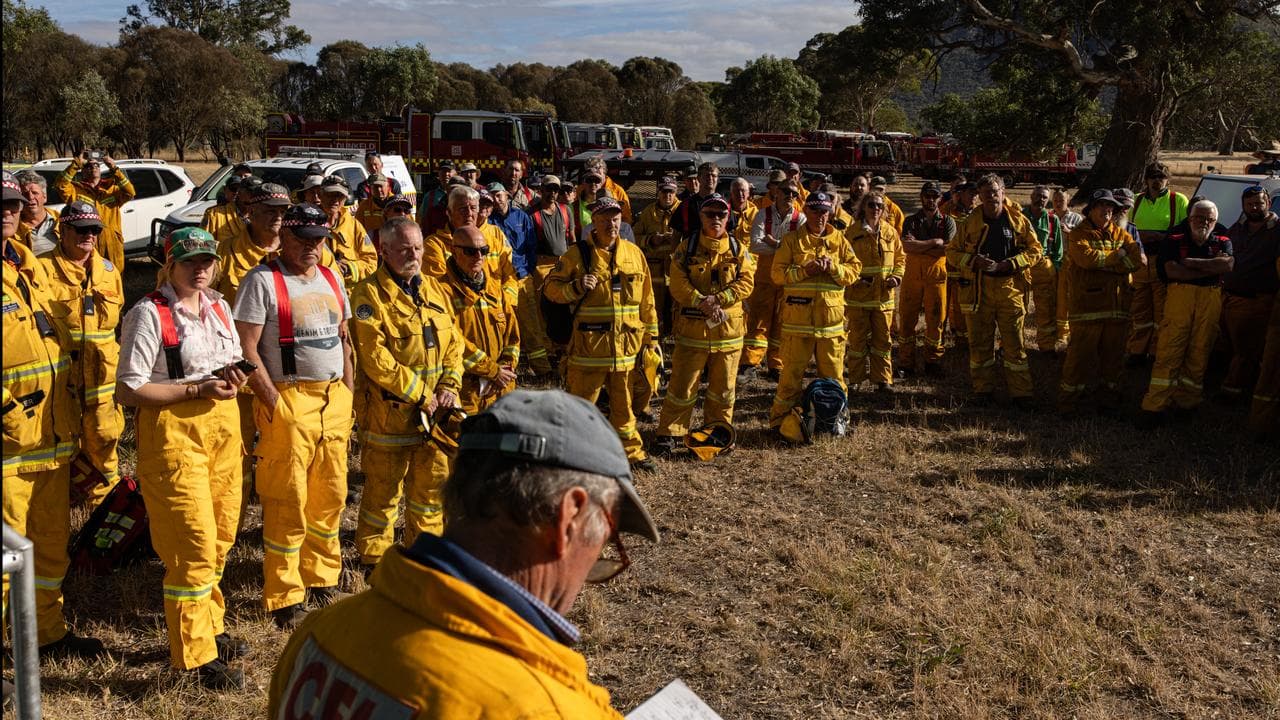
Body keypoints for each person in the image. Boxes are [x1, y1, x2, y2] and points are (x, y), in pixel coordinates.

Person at [268, 389, 660, 719]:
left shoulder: (321, 633)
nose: (595, 562)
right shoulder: (540, 708)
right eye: (606, 538)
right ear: (569, 518)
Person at [115, 227, 248, 689]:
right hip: (174, 437)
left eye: (207, 260)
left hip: (223, 433)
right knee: (191, 545)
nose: (201, 269)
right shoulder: (148, 314)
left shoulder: (220, 307)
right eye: (190, 261)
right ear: (169, 265)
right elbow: (129, 389)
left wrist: (235, 379)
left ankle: (211, 627)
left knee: (220, 538)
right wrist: (194, 388)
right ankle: (193, 658)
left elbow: (229, 357)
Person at [234, 203, 355, 629]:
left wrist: (348, 392)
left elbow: (344, 338)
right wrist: (272, 402)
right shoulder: (261, 281)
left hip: (332, 403)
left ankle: (322, 577)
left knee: (331, 494)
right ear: (283, 235)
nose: (311, 246)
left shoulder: (331, 275)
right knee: (287, 499)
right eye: (303, 238)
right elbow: (246, 349)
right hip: (288, 401)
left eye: (319, 239)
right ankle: (285, 594)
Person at [1, 171, 104, 660]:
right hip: (7, 447)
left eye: (14, 205)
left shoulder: (26, 263)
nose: (7, 212)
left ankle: (44, 633)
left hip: (51, 435)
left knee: (48, 547)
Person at [350, 217, 463, 572]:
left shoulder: (435, 290)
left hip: (434, 420)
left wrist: (449, 386)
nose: (412, 255)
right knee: (383, 492)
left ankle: (423, 558)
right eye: (403, 249)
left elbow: (454, 345)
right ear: (384, 251)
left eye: (417, 247)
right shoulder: (367, 295)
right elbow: (375, 358)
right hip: (390, 416)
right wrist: (420, 392)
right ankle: (374, 561)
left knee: (430, 494)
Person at [544, 197, 658, 472]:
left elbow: (647, 301)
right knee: (581, 408)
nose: (611, 223)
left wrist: (651, 340)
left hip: (625, 350)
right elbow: (550, 289)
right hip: (589, 351)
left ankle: (631, 453)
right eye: (605, 218)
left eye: (616, 218)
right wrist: (574, 287)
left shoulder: (634, 254)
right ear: (593, 221)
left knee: (625, 407)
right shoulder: (576, 255)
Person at [651, 194, 755, 456]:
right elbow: (677, 283)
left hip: (729, 335)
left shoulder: (737, 249)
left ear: (727, 217)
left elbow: (746, 282)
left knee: (723, 390)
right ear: (701, 217)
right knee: (682, 386)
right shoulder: (685, 249)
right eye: (710, 214)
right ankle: (671, 433)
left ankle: (719, 432)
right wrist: (701, 301)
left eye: (721, 214)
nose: (716, 219)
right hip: (692, 332)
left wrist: (720, 298)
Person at [39, 202, 125, 506]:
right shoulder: (41, 269)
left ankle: (107, 509)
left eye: (94, 230)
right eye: (81, 229)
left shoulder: (108, 271)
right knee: (63, 443)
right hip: (62, 381)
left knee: (105, 440)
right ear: (63, 230)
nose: (89, 236)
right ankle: (65, 504)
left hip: (102, 382)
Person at [947, 175, 1043, 405]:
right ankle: (983, 391)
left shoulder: (1018, 221)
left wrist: (1009, 264)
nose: (991, 196)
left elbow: (1036, 250)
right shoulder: (969, 223)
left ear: (1003, 192)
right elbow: (952, 253)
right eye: (986, 192)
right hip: (979, 290)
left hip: (1010, 289)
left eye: (995, 191)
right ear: (979, 196)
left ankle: (1022, 394)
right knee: (980, 344)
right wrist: (972, 261)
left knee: (1015, 345)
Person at [768, 192, 860, 431]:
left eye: (824, 211)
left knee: (835, 378)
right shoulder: (791, 240)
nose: (820, 216)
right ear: (806, 211)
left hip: (831, 326)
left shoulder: (839, 240)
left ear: (830, 213)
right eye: (815, 210)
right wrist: (804, 271)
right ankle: (780, 423)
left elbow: (854, 272)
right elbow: (777, 274)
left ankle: (838, 422)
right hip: (797, 325)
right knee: (790, 379)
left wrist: (835, 269)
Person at [1139, 200, 1233, 422]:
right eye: (1200, 218)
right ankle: (1154, 406)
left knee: (1200, 350)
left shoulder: (1222, 235)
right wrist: (1209, 268)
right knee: (1170, 349)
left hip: (1210, 299)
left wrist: (1190, 263)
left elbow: (1227, 265)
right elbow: (1172, 271)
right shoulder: (1175, 236)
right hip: (1180, 297)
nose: (1205, 222)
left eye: (1210, 219)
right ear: (1190, 217)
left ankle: (1187, 403)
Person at [1057, 190, 1143, 415]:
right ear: (1091, 209)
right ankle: (1069, 402)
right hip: (1087, 308)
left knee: (1114, 358)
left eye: (1111, 207)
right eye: (1102, 206)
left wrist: (1108, 263)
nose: (1107, 211)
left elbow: (1135, 261)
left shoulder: (1121, 234)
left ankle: (1109, 399)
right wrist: (1119, 256)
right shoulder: (1079, 234)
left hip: (1117, 308)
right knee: (1079, 357)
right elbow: (1087, 260)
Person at [440, 224, 521, 414]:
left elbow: (513, 337)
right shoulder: (440, 292)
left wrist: (505, 369)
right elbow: (452, 343)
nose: (478, 257)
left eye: (483, 251)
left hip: (501, 389)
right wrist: (492, 371)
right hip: (467, 391)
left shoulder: (495, 288)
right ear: (453, 250)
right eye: (470, 251)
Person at [1219, 185, 1279, 401]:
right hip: (1227, 295)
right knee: (1228, 343)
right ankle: (1228, 380)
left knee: (1247, 348)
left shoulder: (1277, 229)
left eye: (1259, 203)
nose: (1254, 207)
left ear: (1268, 203)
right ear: (1243, 206)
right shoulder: (1238, 227)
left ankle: (1234, 391)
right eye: (1249, 204)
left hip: (1256, 299)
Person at [1127, 162, 1190, 364]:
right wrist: (1141, 237)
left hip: (1163, 263)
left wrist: (1158, 236)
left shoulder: (1178, 200)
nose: (1156, 181)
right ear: (1146, 179)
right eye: (1152, 177)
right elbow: (1127, 230)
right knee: (1139, 308)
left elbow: (1185, 232)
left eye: (1161, 177)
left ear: (1167, 180)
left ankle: (1157, 351)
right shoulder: (1136, 201)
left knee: (1162, 309)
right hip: (1139, 262)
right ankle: (1137, 351)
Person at [745, 178, 806, 378]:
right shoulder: (763, 214)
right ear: (777, 192)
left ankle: (776, 365)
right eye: (786, 192)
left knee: (783, 321)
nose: (790, 196)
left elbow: (800, 251)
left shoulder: (801, 219)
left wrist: (774, 243)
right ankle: (751, 363)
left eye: (794, 194)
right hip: (764, 276)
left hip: (788, 278)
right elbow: (755, 245)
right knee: (759, 319)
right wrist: (784, 247)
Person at [844, 193, 905, 392]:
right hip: (858, 297)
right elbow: (843, 262)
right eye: (871, 205)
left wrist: (896, 277)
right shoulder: (851, 233)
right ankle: (855, 380)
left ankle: (883, 380)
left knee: (883, 341)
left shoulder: (890, 232)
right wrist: (856, 279)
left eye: (880, 205)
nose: (876, 208)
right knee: (857, 341)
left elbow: (900, 259)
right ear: (863, 207)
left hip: (884, 299)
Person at [898, 181, 954, 376]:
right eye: (927, 195)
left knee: (936, 320)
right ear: (921, 197)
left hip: (937, 277)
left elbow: (948, 249)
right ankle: (906, 363)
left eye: (934, 196)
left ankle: (933, 362)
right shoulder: (911, 220)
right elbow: (906, 246)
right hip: (912, 275)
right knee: (907, 319)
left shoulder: (948, 221)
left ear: (940, 198)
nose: (931, 199)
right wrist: (933, 243)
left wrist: (920, 246)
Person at [521, 175, 572, 379]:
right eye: (548, 189)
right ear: (541, 190)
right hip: (541, 265)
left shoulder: (565, 210)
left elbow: (571, 238)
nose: (552, 193)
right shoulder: (531, 214)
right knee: (542, 309)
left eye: (555, 190)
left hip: (563, 264)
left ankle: (561, 346)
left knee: (562, 307)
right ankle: (548, 349)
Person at [53, 150, 136, 270]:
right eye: (88, 166)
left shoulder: (111, 189)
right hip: (87, 240)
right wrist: (76, 164)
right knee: (90, 274)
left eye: (96, 165)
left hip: (111, 243)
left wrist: (113, 167)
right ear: (82, 170)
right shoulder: (76, 190)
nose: (93, 168)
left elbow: (130, 192)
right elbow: (60, 185)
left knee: (114, 274)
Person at [215, 183, 291, 306]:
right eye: (270, 211)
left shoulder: (302, 249)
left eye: (283, 212)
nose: (278, 217)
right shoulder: (223, 252)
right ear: (251, 212)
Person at [633, 176, 681, 340]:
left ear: (676, 193)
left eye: (671, 192)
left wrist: (676, 239)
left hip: (677, 268)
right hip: (655, 270)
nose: (667, 196)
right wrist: (651, 239)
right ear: (658, 193)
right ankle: (656, 342)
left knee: (677, 307)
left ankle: (675, 342)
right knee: (655, 307)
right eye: (664, 192)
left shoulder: (683, 210)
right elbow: (634, 237)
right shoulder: (648, 213)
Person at [316, 175, 379, 291]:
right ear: (320, 196)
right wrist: (333, 269)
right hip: (320, 293)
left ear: (345, 199)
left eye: (339, 196)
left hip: (350, 296)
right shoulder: (308, 225)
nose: (335, 200)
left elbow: (371, 262)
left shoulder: (354, 226)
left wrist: (350, 268)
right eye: (330, 194)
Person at [1023, 185, 1065, 352]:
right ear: (1031, 196)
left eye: (1044, 197)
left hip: (1043, 266)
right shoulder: (1020, 216)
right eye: (1038, 195)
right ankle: (1012, 345)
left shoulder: (1052, 219)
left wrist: (1053, 268)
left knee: (1046, 308)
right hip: (1022, 265)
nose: (1041, 199)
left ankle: (1046, 346)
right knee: (1018, 307)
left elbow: (1058, 249)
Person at [670, 162, 720, 240]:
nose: (710, 178)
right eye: (707, 175)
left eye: (713, 175)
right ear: (699, 178)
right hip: (692, 250)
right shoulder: (685, 205)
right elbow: (676, 236)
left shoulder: (724, 205)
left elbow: (731, 233)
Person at [14, 170, 59, 255]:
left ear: (44, 197)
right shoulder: (13, 228)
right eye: (25, 194)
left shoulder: (61, 221)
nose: (30, 197)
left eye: (35, 193)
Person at [353, 172, 397, 238]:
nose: (379, 190)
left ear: (388, 187)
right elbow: (357, 230)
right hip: (372, 246)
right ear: (371, 189)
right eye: (375, 187)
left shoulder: (398, 204)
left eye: (381, 186)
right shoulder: (364, 206)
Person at [419, 160, 456, 233]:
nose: (446, 174)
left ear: (456, 173)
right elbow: (422, 219)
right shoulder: (429, 196)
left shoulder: (461, 195)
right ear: (438, 174)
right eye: (443, 171)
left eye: (449, 171)